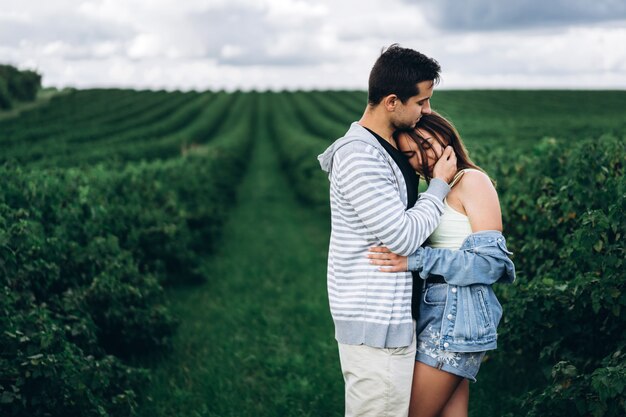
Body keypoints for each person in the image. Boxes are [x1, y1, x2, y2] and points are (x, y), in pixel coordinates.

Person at [317, 45, 457, 417]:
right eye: (422, 102)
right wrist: (440, 186)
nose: (427, 110)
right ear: (392, 101)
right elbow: (402, 236)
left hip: (391, 323)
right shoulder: (359, 156)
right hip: (376, 329)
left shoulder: (387, 149)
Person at [368, 112, 516, 417]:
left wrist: (414, 260)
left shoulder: (471, 181)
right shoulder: (436, 192)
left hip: (456, 315)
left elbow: (492, 264)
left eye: (426, 144)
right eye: (409, 154)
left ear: (446, 139)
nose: (421, 157)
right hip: (438, 313)